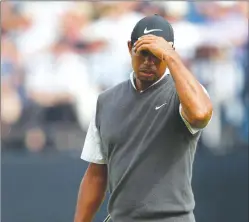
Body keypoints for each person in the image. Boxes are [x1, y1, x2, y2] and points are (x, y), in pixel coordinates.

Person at [74, 14, 213, 222]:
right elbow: (96, 174)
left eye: (158, 55)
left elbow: (200, 114)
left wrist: (171, 57)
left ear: (170, 53)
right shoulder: (106, 101)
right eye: (144, 52)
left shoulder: (184, 94)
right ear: (130, 47)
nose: (149, 62)